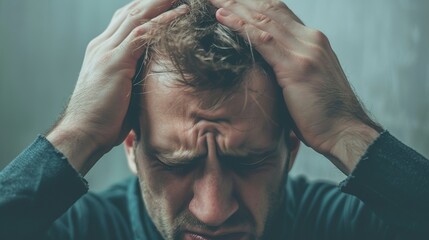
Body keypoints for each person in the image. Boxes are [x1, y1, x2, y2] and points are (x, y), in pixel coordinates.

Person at [0, 0, 428, 239]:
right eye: (176, 163)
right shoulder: (80, 233)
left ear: (291, 149)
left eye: (248, 160)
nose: (214, 210)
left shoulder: (344, 228)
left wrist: (346, 129)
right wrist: (78, 132)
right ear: (132, 147)